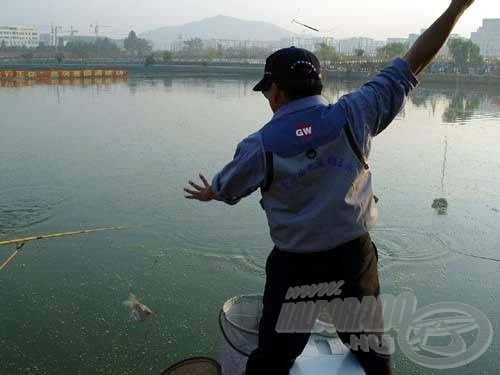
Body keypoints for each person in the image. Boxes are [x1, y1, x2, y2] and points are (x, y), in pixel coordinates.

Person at [184, 1, 476, 373]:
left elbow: (228, 190)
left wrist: (212, 192)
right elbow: (413, 61)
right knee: (370, 350)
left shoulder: (259, 145)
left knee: (273, 357)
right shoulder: (355, 113)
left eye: (266, 91)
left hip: (294, 268)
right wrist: (456, 7)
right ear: (317, 83)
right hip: (353, 259)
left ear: (276, 92)